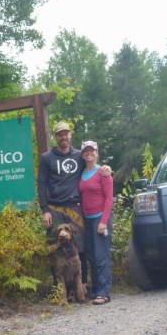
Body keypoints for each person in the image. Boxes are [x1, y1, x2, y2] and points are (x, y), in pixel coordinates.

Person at [37, 121, 110, 289]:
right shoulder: (46, 158)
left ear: (70, 135)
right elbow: (41, 184)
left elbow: (92, 165)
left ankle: (82, 286)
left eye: (66, 134)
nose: (63, 137)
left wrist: (106, 168)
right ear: (55, 137)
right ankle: (60, 290)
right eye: (59, 134)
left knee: (79, 246)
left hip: (75, 207)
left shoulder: (79, 155)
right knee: (54, 247)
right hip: (54, 208)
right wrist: (44, 210)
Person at [78, 140, 113, 305]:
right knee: (91, 256)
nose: (89, 153)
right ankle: (96, 288)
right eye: (86, 150)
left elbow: (109, 198)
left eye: (92, 150)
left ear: (97, 153)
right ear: (82, 154)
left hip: (100, 218)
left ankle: (104, 292)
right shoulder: (82, 173)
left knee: (101, 256)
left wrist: (104, 222)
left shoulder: (103, 173)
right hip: (87, 219)